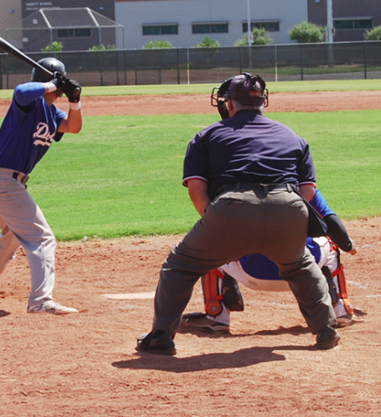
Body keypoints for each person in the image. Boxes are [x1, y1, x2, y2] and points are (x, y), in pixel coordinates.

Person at [136, 72, 341, 355]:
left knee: (180, 266)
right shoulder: (291, 135)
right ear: (263, 101)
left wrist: (218, 220)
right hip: (290, 206)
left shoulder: (208, 135)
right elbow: (307, 192)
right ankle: (326, 331)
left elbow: (197, 190)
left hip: (232, 207)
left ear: (228, 103)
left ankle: (160, 337)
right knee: (299, 266)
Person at [0, 58, 83, 315]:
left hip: (4, 183)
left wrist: (75, 100)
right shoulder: (29, 103)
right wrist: (52, 83)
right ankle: (41, 301)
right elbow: (20, 91)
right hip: (3, 182)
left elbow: (73, 127)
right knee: (42, 237)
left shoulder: (52, 112)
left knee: (11, 236)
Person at [182, 188, 365, 333]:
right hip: (303, 271)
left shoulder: (232, 191)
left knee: (210, 244)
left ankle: (217, 314)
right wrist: (348, 246)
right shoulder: (302, 186)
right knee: (330, 243)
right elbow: (332, 223)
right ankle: (340, 309)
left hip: (250, 275)